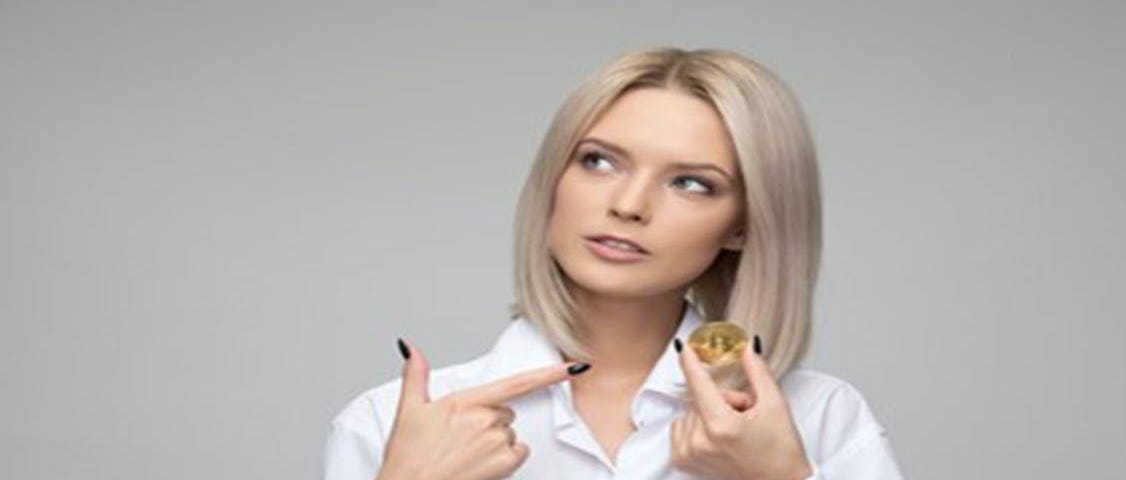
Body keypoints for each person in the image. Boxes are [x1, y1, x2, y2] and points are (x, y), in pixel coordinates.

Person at [323, 46, 905, 480]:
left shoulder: (818, 416)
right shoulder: (392, 423)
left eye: (691, 183)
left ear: (744, 224)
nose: (627, 205)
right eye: (599, 162)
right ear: (554, 176)